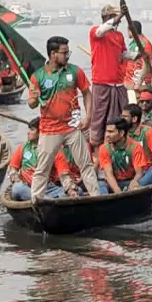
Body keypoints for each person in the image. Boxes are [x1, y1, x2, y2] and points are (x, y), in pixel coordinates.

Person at [28, 36, 101, 199]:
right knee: (42, 168)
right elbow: (31, 104)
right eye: (64, 53)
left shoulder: (75, 71)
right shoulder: (38, 76)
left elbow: (87, 94)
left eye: (68, 52)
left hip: (73, 127)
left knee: (86, 165)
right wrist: (34, 97)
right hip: (49, 130)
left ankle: (96, 198)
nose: (67, 56)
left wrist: (88, 117)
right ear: (53, 54)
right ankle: (36, 201)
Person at [89, 3, 136, 147]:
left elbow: (123, 54)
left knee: (119, 116)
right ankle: (97, 147)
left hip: (118, 83)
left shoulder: (119, 36)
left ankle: (117, 143)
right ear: (109, 17)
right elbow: (101, 31)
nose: (119, 22)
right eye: (117, 19)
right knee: (99, 117)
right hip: (102, 83)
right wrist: (120, 15)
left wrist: (137, 55)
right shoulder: (95, 32)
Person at [8, 117, 74, 200]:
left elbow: (64, 174)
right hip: (27, 187)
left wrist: (70, 190)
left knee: (77, 191)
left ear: (40, 132)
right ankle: (44, 199)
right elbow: (12, 168)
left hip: (48, 188)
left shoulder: (54, 150)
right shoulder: (23, 148)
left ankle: (42, 199)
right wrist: (15, 177)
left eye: (32, 130)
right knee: (17, 189)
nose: (28, 133)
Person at [97, 118, 152, 194]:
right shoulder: (104, 149)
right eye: (106, 131)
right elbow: (109, 175)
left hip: (130, 182)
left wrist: (133, 182)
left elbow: (139, 173)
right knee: (100, 184)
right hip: (114, 183)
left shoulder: (135, 147)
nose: (107, 135)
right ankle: (105, 200)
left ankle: (131, 191)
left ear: (121, 133)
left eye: (110, 132)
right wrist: (118, 192)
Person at [123, 21, 152, 106]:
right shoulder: (134, 43)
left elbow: (146, 64)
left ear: (131, 31)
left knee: (139, 106)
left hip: (140, 82)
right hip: (130, 81)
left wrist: (139, 82)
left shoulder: (144, 44)